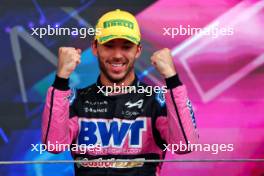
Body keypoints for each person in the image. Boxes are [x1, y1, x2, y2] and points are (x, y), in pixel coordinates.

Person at [42, 9, 198, 176]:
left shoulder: (156, 100)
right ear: (95, 48)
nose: (117, 55)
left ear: (137, 50)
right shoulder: (76, 100)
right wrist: (61, 79)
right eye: (109, 46)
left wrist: (172, 79)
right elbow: (54, 145)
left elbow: (184, 145)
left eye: (126, 47)